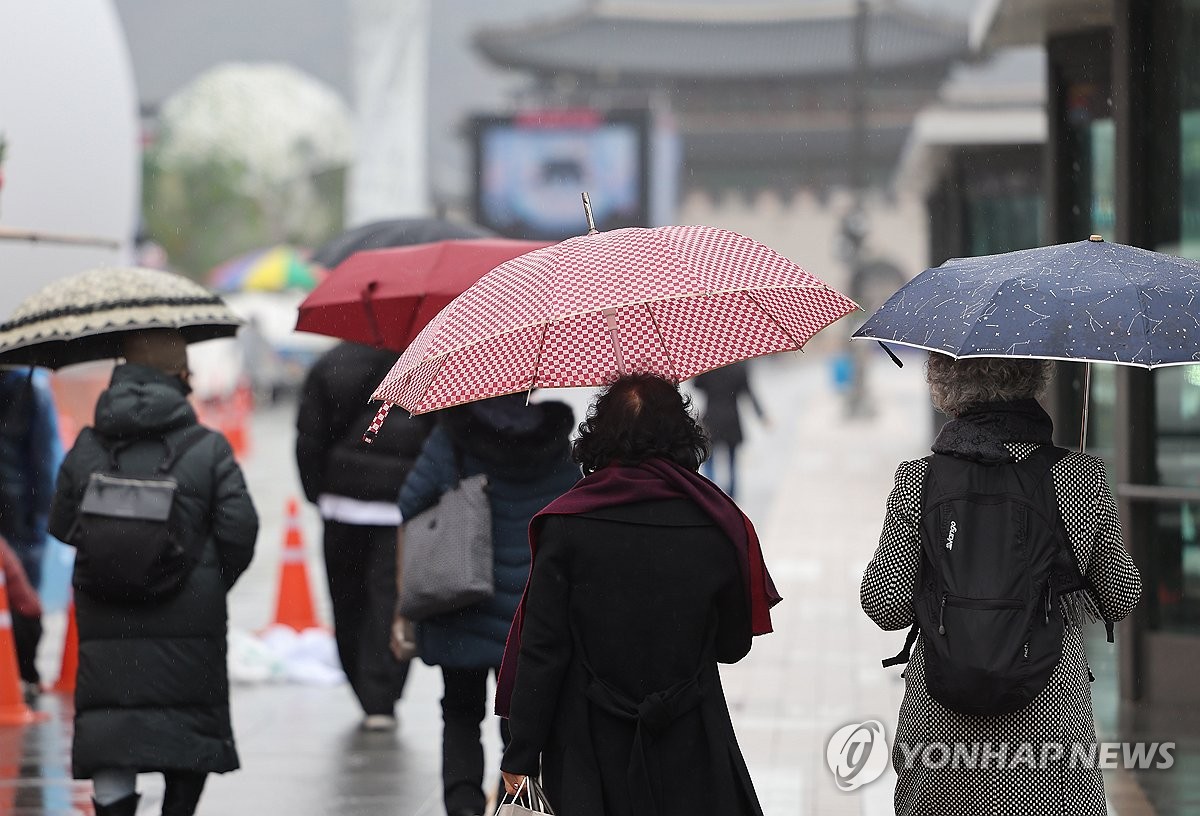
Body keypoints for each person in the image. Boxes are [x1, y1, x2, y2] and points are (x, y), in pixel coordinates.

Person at [860, 353, 1142, 816]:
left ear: (945, 382)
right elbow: (1119, 594)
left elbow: (884, 604)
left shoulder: (919, 479)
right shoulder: (1077, 476)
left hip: (942, 725)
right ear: (1034, 377)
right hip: (1051, 720)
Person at [496, 373, 779, 816]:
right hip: (691, 744)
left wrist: (522, 750)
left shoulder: (567, 524)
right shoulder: (715, 525)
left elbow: (544, 649)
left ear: (599, 437)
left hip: (590, 747)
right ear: (683, 434)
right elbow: (732, 646)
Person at [48, 329, 258, 816]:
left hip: (106, 618)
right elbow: (240, 528)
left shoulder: (87, 447)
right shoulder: (208, 449)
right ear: (179, 379)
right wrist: (208, 579)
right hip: (191, 622)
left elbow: (62, 524)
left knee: (111, 729)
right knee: (186, 734)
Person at [395, 392, 577, 816]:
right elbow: (572, 502)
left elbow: (408, 502)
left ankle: (462, 806)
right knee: (520, 722)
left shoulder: (453, 437)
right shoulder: (555, 444)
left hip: (461, 601)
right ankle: (510, 806)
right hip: (529, 609)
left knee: (460, 713)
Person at [296, 340, 435, 731]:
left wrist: (318, 493)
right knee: (390, 601)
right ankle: (382, 697)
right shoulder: (425, 359)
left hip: (341, 505)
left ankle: (361, 685)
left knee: (347, 597)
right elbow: (436, 437)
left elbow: (309, 440)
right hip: (401, 507)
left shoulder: (329, 364)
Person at [0, 367, 63, 698]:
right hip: (21, 510)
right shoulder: (31, 387)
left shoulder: (29, 387)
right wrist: (44, 513)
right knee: (23, 596)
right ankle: (24, 671)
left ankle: (17, 672)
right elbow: (44, 455)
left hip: (18, 509)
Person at [691, 361, 768, 499]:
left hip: (712, 418)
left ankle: (711, 492)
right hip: (732, 418)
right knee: (732, 460)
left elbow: (697, 385)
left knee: (710, 459)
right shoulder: (738, 366)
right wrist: (760, 414)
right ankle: (731, 496)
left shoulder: (709, 367)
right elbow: (748, 391)